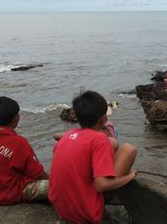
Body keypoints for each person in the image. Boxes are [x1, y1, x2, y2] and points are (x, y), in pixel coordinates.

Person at [49, 91, 137, 223]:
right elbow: (101, 185)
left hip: (61, 209)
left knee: (113, 144)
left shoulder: (67, 136)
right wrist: (130, 176)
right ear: (103, 119)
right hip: (86, 212)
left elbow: (57, 136)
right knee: (129, 149)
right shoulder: (100, 139)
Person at [0, 96, 49, 205]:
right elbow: (38, 174)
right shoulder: (18, 142)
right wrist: (52, 180)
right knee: (60, 183)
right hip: (11, 194)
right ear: (16, 118)